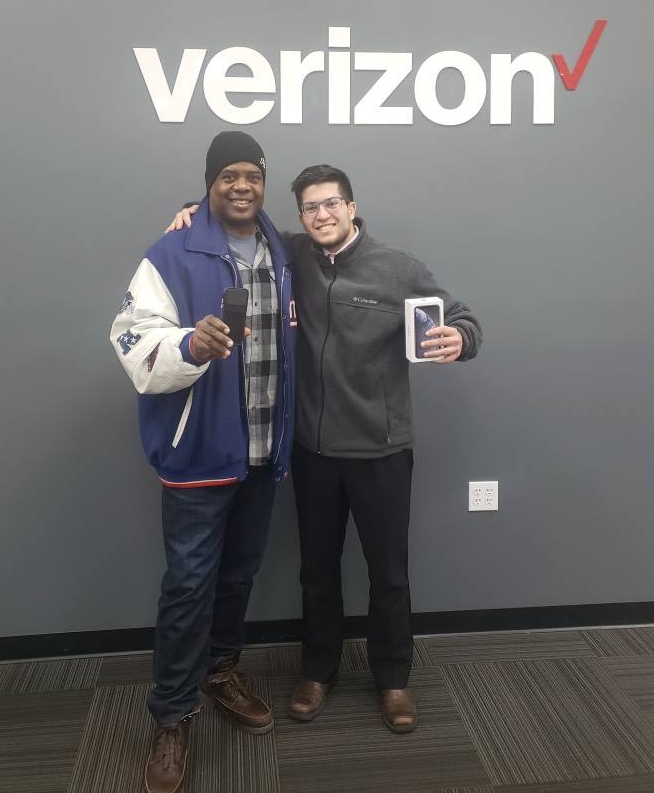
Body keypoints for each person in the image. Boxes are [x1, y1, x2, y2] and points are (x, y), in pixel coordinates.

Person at [169, 162, 481, 735]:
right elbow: (239, 213)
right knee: (317, 571)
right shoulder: (291, 257)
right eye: (310, 207)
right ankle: (317, 672)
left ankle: (393, 679)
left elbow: (462, 318)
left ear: (351, 207)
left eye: (331, 203)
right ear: (301, 216)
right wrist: (196, 209)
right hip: (312, 452)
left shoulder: (398, 268)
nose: (322, 215)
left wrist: (461, 338)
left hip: (382, 451)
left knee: (389, 574)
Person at [111, 131, 296, 793]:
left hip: (262, 451)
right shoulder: (171, 252)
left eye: (253, 175)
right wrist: (190, 345)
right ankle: (172, 714)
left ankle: (220, 671)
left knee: (238, 576)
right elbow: (133, 341)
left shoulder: (283, 252)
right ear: (210, 184)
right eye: (228, 176)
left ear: (264, 183)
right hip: (199, 457)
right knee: (189, 587)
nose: (242, 186)